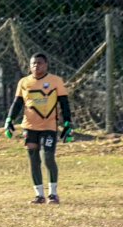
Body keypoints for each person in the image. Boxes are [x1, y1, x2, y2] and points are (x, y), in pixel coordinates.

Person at [4, 53, 73, 204]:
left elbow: (64, 103)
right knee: (33, 160)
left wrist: (68, 122)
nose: (36, 66)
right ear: (29, 66)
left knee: (48, 157)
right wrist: (9, 119)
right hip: (29, 127)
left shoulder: (55, 81)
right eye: (33, 64)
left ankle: (53, 194)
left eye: (40, 63)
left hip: (49, 126)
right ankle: (39, 195)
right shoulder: (24, 82)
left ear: (46, 64)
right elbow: (17, 103)